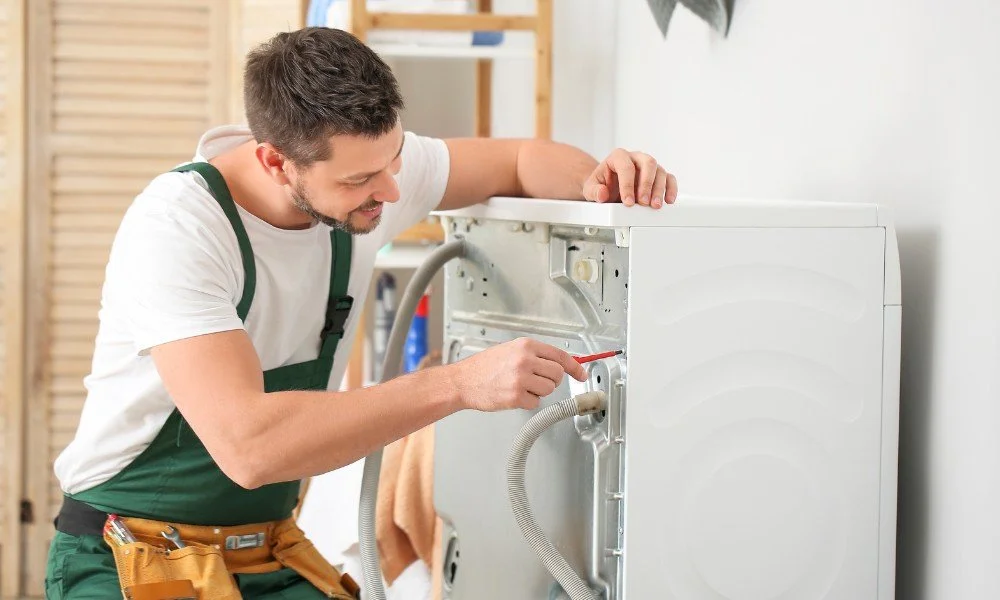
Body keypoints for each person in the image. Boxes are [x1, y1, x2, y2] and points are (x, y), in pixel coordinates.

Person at [44, 26, 678, 600]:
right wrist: (459, 384)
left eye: (395, 158)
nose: (393, 191)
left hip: (263, 550)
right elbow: (250, 446)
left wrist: (600, 179)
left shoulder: (365, 174)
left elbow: (519, 159)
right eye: (360, 180)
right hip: (127, 553)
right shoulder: (180, 226)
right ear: (275, 160)